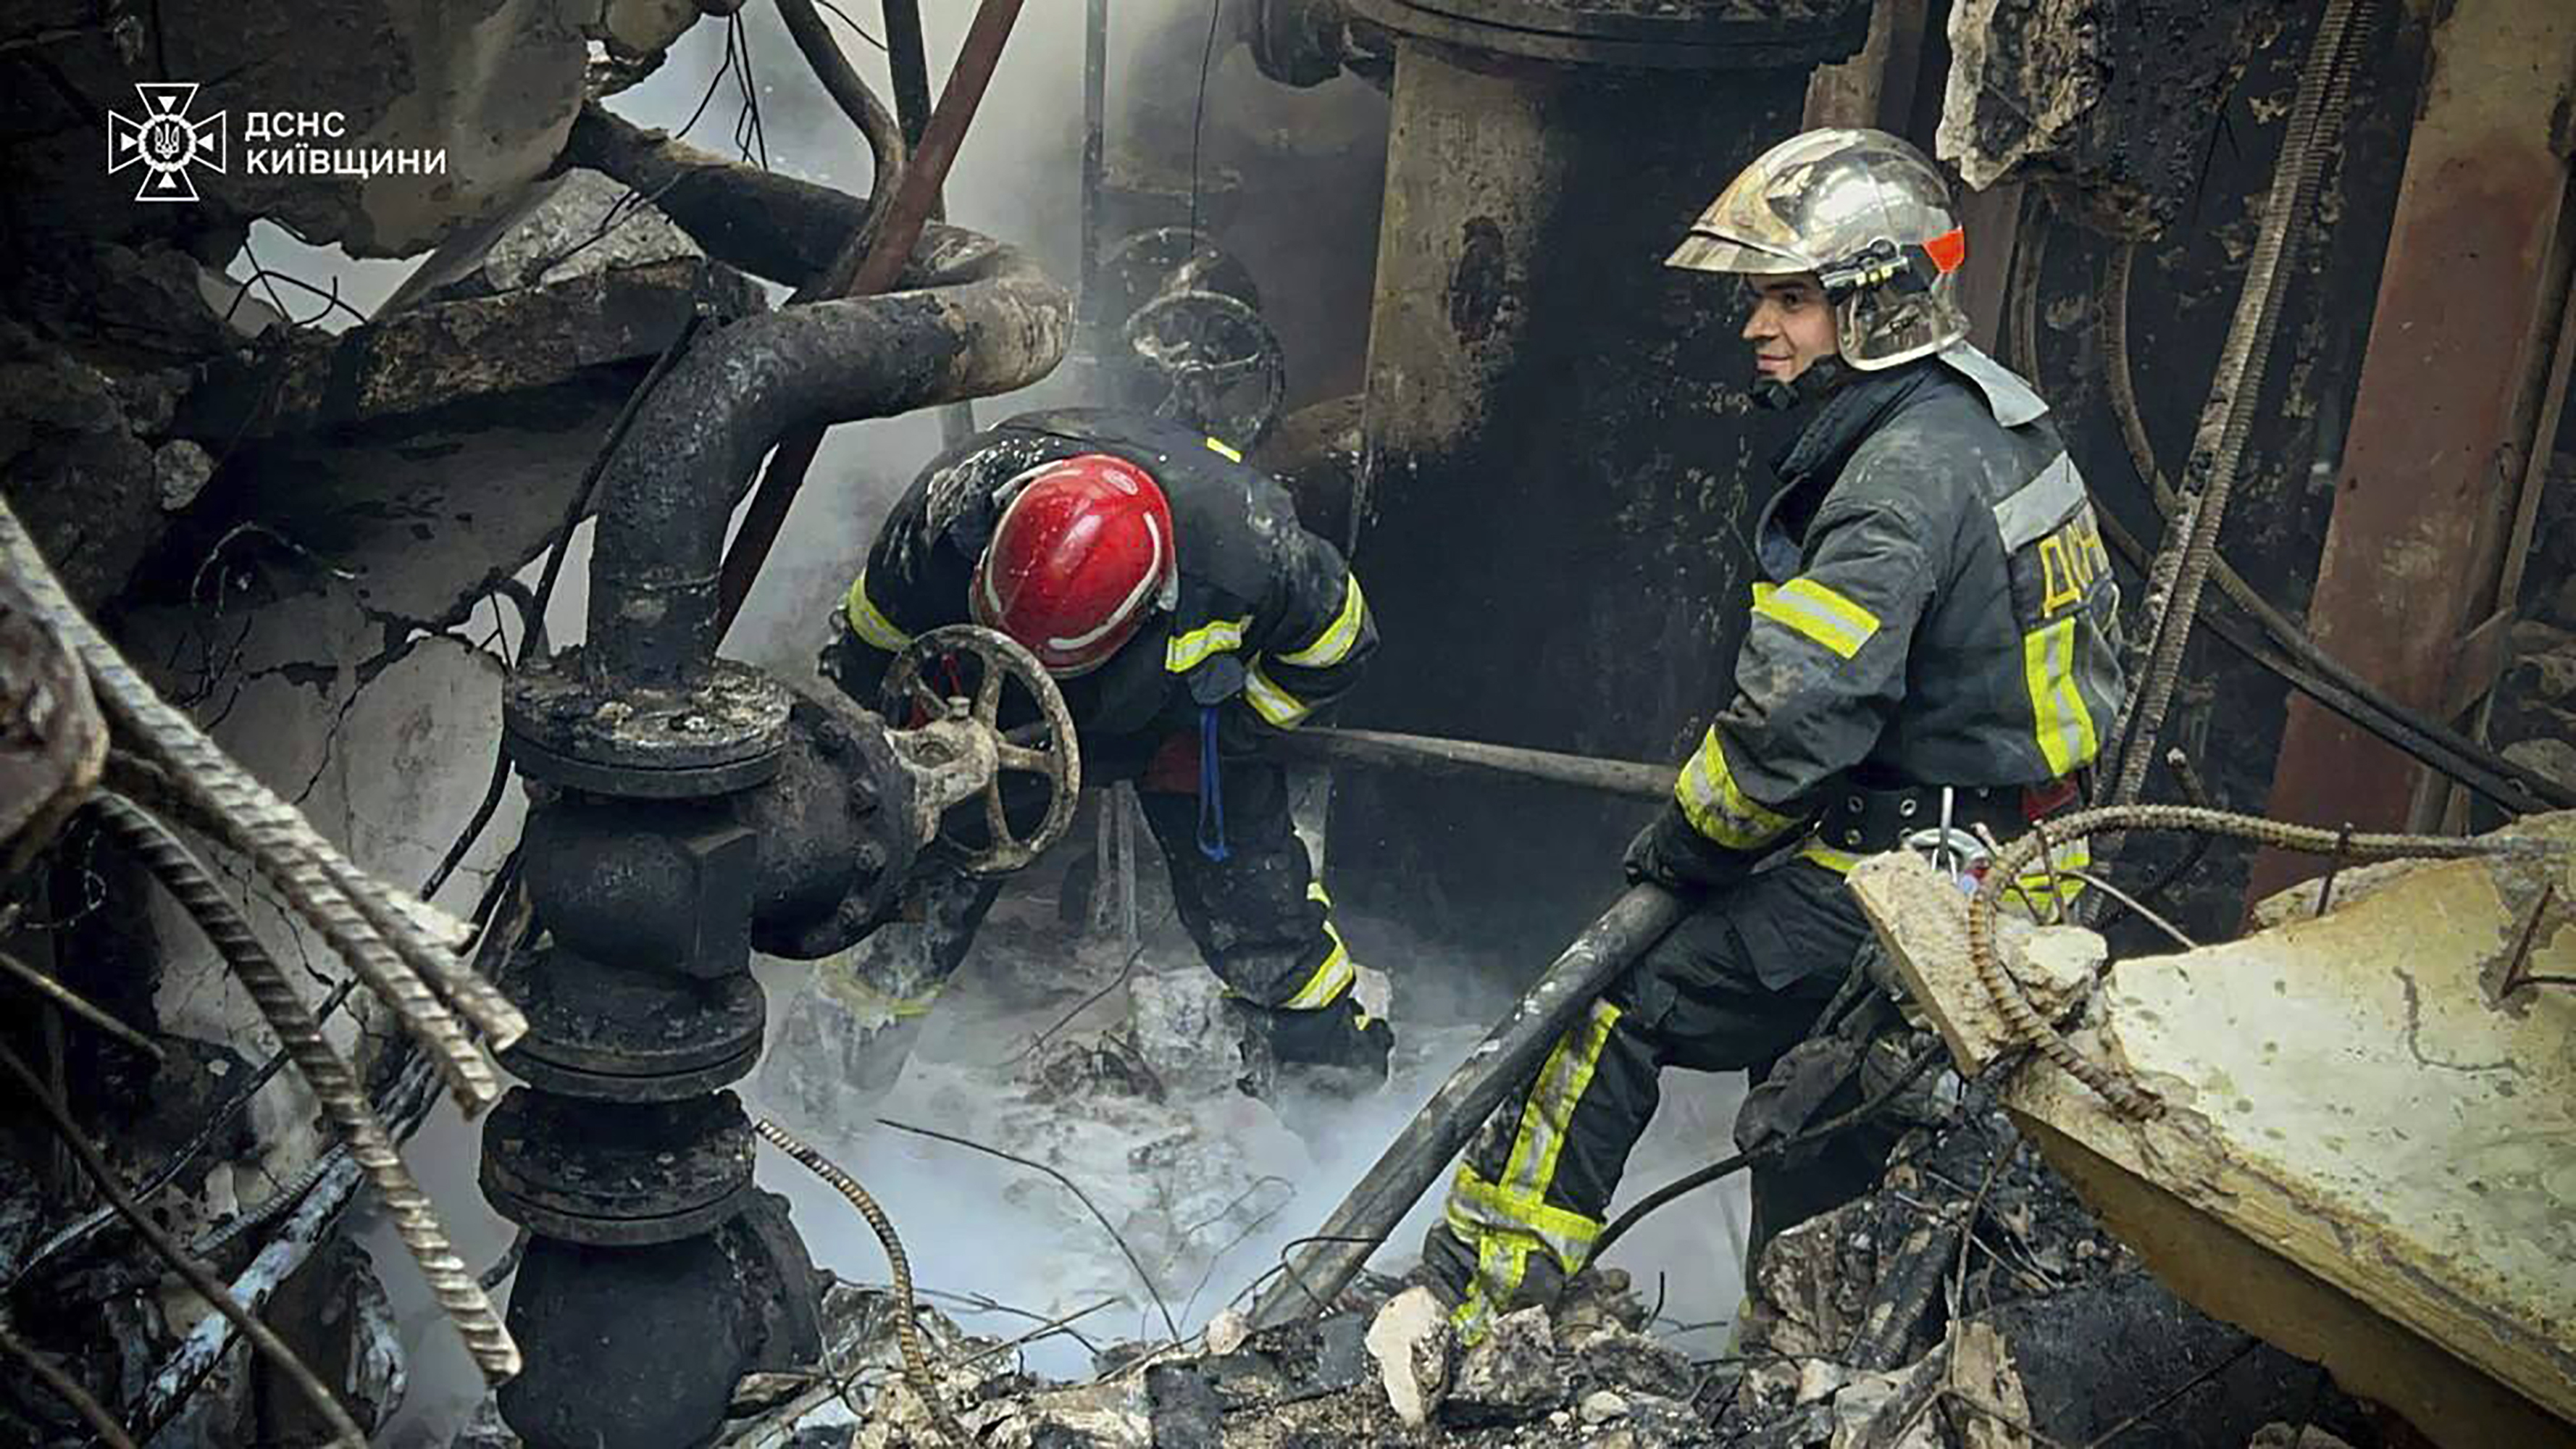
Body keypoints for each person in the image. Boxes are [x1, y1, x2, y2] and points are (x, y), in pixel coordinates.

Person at [1417, 128, 2128, 1337]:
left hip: (1917, 870)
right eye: (1758, 299)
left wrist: (1690, 846)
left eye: (1790, 301)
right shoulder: (1996, 421)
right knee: (1818, 1129)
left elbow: (1793, 726)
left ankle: (1473, 1308)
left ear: (1878, 302)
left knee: (1613, 1000)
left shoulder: (1894, 483)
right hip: (2018, 857)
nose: (1758, 328)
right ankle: (1797, 1360)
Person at [814, 405, 1392, 1103]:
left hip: (1187, 724)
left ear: (1150, 607)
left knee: (1259, 917)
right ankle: (825, 1102)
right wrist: (887, 777)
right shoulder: (946, 515)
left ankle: (1334, 1106)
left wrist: (1228, 736)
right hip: (991, 716)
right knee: (916, 904)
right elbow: (863, 655)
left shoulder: (1250, 552)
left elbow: (1335, 646)